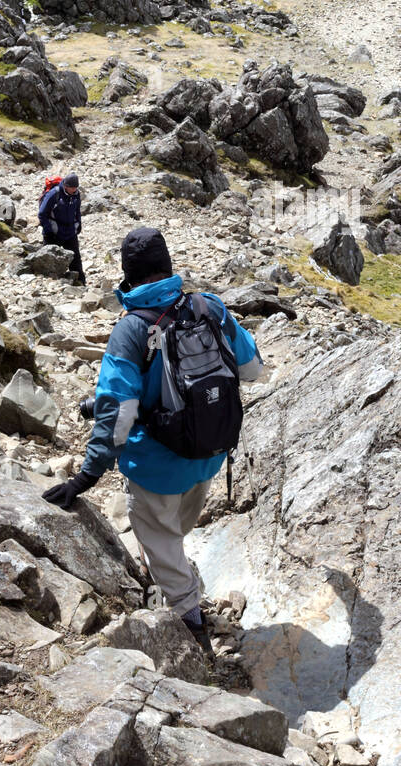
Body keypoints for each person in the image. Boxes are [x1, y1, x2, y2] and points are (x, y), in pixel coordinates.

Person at [43, 226, 263, 650]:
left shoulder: (130, 330)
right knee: (173, 532)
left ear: (129, 275)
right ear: (167, 266)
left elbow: (117, 413)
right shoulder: (209, 307)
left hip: (156, 466)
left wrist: (83, 478)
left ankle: (191, 631)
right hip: (209, 453)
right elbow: (252, 369)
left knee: (161, 537)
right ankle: (170, 579)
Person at [38, 173, 85, 286]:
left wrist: (78, 225)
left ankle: (81, 283)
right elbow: (42, 214)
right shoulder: (54, 194)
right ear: (65, 185)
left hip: (70, 232)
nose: (74, 190)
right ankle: (47, 284)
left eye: (75, 187)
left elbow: (77, 211)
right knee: (49, 259)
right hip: (53, 233)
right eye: (71, 187)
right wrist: (48, 230)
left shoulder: (76, 194)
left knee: (75, 259)